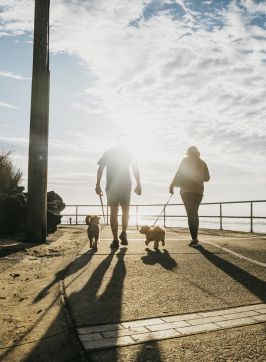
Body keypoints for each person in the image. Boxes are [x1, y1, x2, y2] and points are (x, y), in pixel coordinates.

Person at [95, 145, 141, 248]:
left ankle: (115, 239)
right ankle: (123, 232)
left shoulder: (109, 151)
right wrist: (138, 184)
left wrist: (98, 185)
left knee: (113, 212)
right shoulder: (128, 151)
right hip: (125, 185)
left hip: (112, 186)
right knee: (125, 211)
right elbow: (135, 168)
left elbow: (101, 168)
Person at [169, 146, 210, 247]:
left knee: (191, 215)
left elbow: (178, 173)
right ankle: (195, 238)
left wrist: (172, 185)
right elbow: (207, 178)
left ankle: (194, 239)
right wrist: (199, 176)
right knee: (194, 213)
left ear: (188, 153)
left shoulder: (185, 161)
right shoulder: (203, 163)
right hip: (198, 192)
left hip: (187, 191)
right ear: (197, 153)